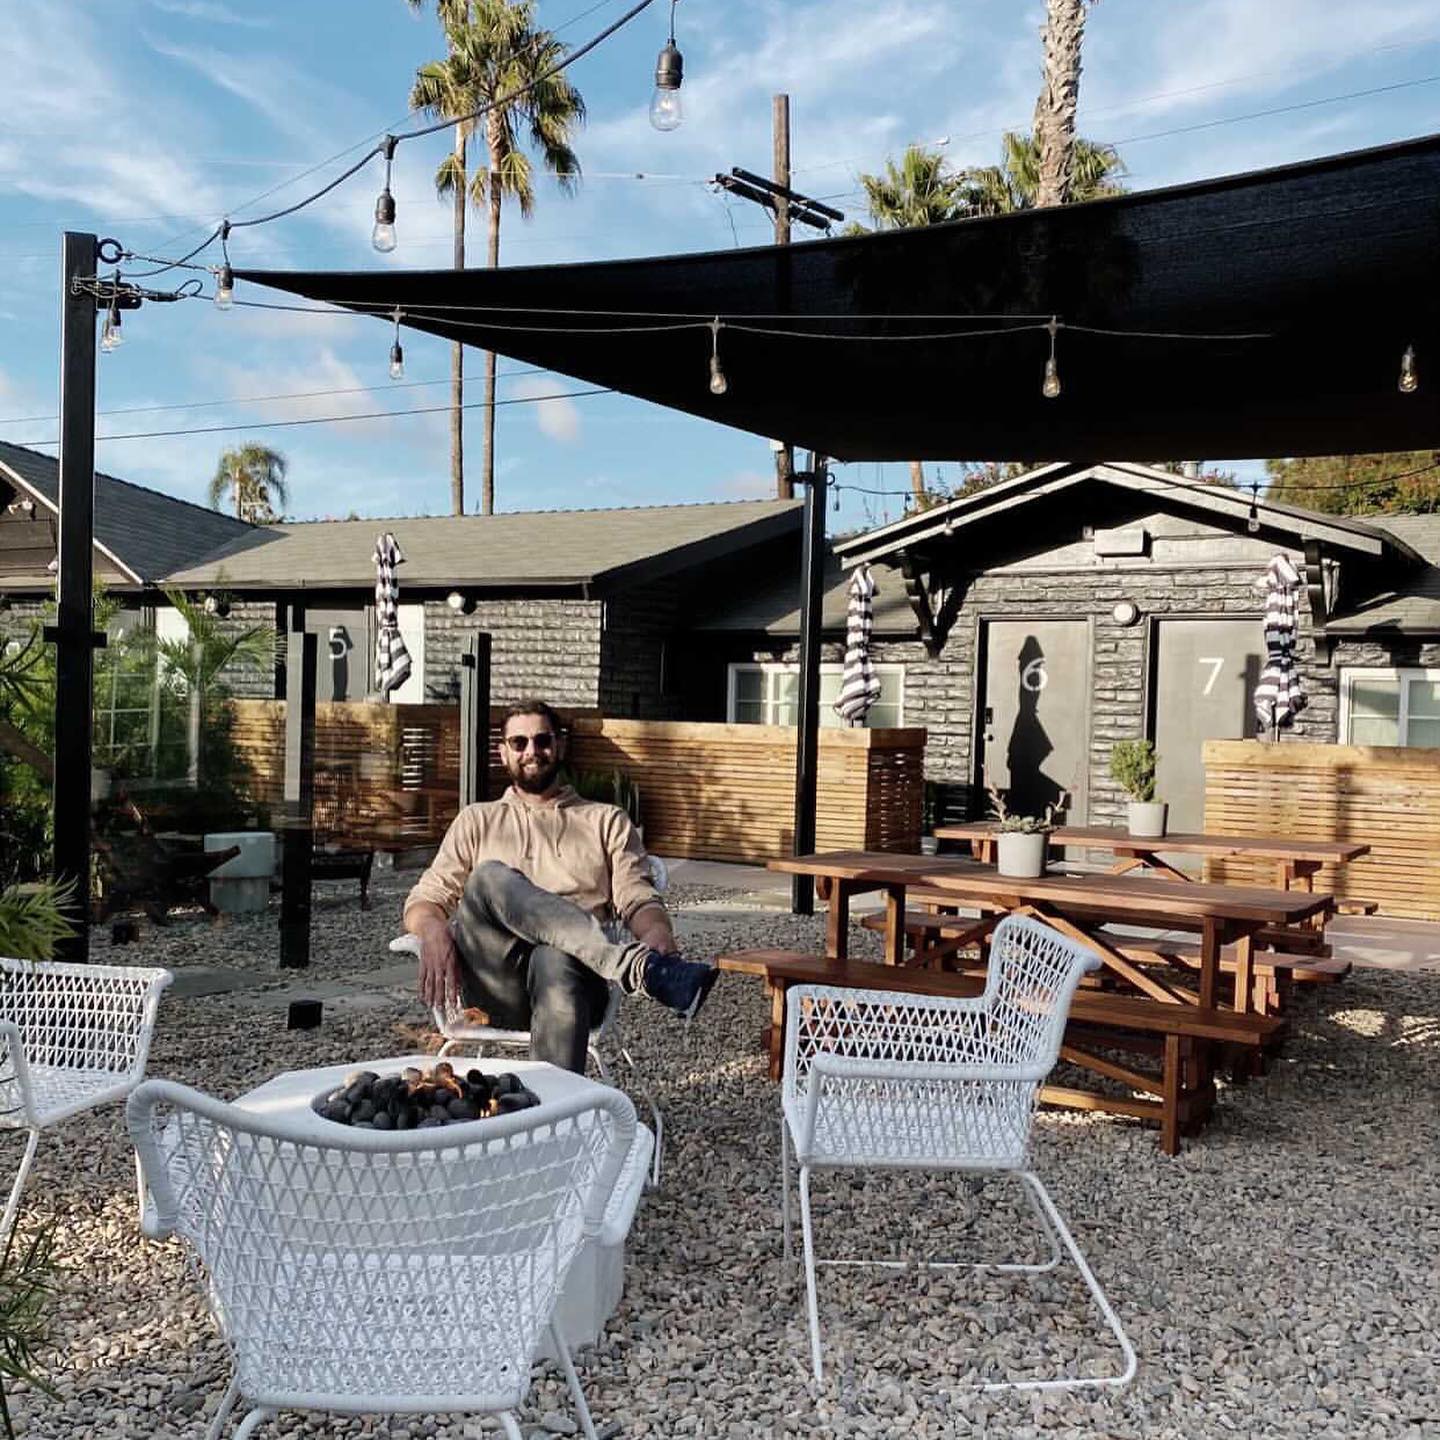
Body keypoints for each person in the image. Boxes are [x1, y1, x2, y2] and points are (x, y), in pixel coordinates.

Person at [404, 699, 718, 1073]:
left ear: (561, 745)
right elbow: (425, 899)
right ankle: (635, 968)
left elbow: (637, 898)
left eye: (542, 740)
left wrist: (658, 934)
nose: (532, 751)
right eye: (519, 743)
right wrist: (433, 929)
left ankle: (554, 1107)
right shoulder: (476, 820)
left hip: (575, 983)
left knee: (554, 956)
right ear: (503, 753)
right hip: (496, 986)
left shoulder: (606, 821)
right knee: (488, 876)